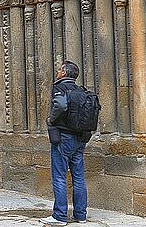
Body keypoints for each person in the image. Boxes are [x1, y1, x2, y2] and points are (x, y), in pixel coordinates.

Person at [40, 61, 89, 226]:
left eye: (60, 69)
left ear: (64, 73)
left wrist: (52, 119)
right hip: (80, 138)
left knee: (59, 176)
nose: (58, 71)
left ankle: (60, 216)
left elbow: (60, 105)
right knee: (79, 177)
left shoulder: (60, 88)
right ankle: (80, 215)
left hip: (64, 137)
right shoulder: (80, 90)